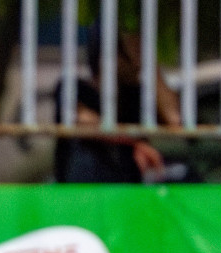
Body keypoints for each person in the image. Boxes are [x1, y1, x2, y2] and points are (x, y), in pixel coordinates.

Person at [54, 31, 180, 182]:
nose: (138, 54)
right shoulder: (75, 87)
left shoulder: (136, 94)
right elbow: (83, 123)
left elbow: (174, 119)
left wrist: (152, 66)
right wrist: (134, 142)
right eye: (134, 48)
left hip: (126, 192)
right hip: (85, 192)